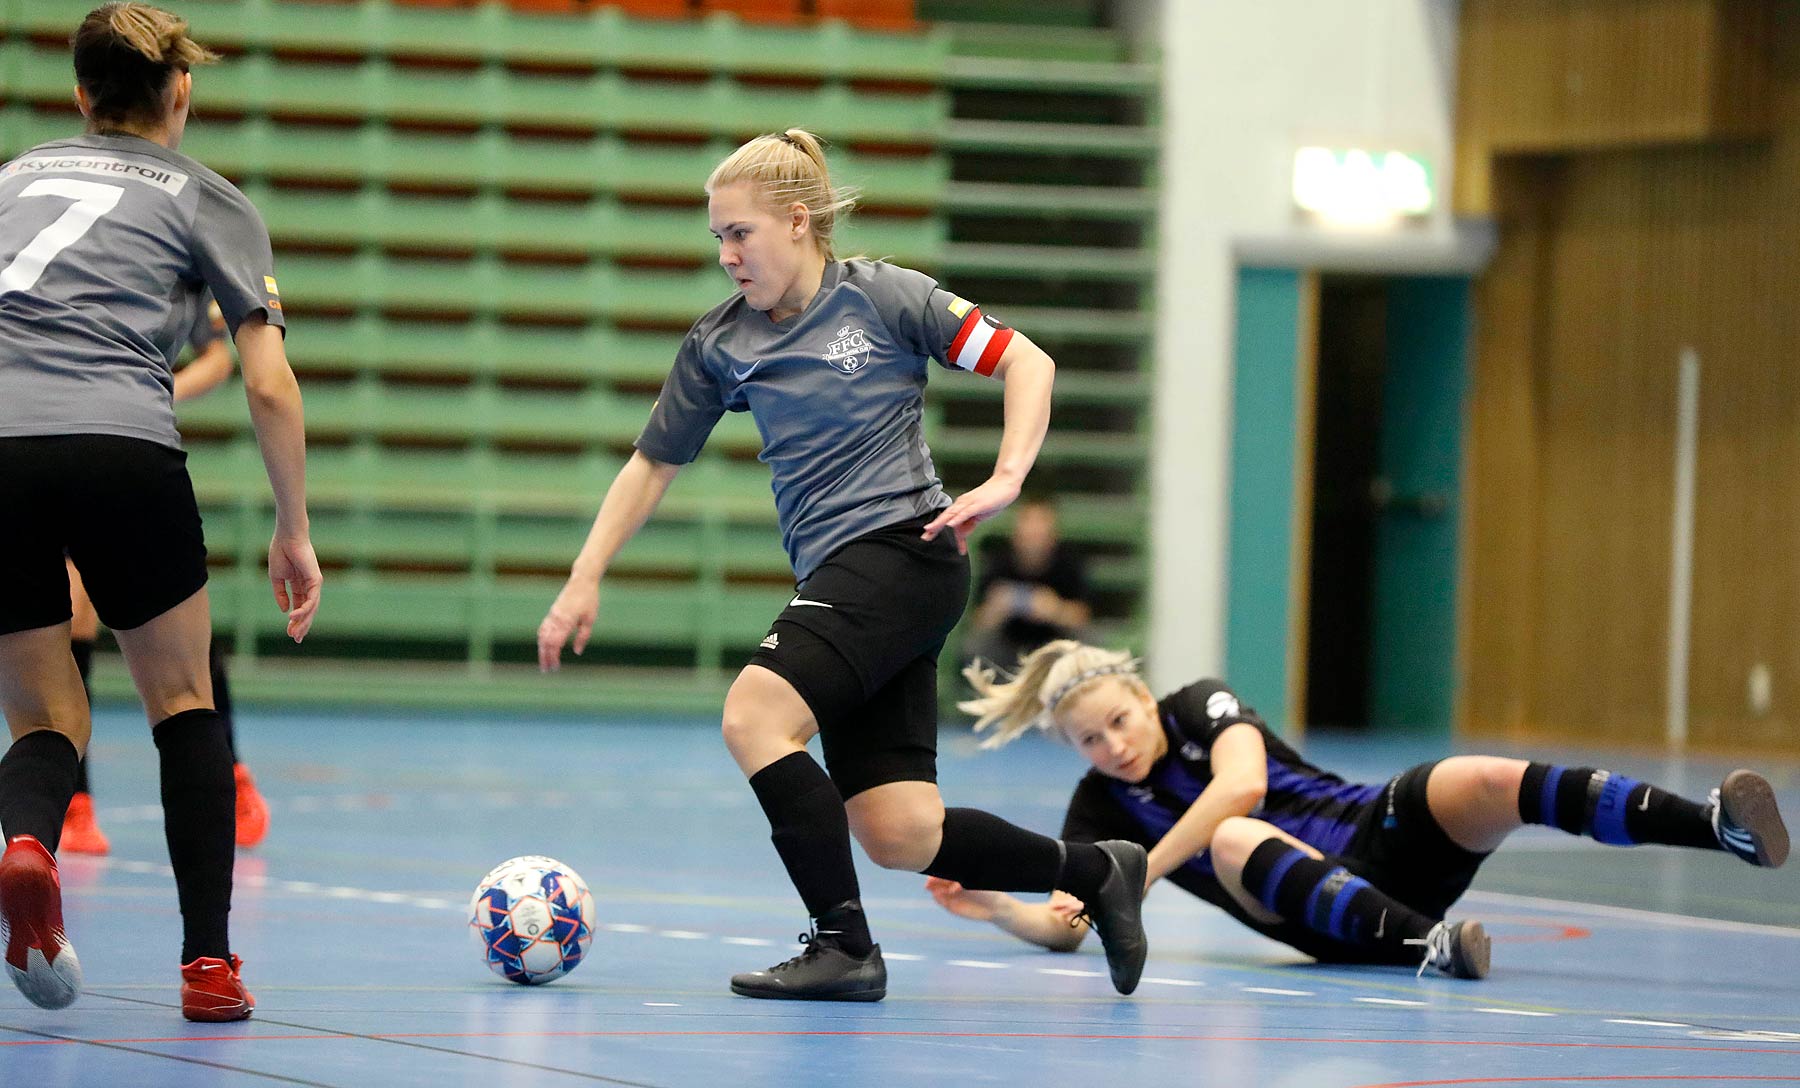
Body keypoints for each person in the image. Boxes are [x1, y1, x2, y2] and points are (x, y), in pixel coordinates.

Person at [537, 129, 1149, 1002]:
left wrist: (1007, 478)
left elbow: (1026, 360)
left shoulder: (886, 298)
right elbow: (653, 462)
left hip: (905, 553)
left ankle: (844, 945)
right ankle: (1097, 869)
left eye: (739, 233)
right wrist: (585, 574)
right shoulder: (721, 343)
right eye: (716, 237)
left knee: (754, 715)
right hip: (844, 577)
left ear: (797, 221)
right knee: (900, 831)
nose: (726, 255)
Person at [0, 3, 319, 1020]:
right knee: (185, 703)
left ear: (80, 98)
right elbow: (268, 383)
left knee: (47, 715)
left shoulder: (11, 177)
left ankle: (24, 841)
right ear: (179, 94)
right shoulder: (206, 195)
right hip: (119, 445)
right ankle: (209, 967)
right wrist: (293, 527)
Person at [928, 640, 1789, 980]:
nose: (1111, 745)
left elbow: (1244, 785)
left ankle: (1715, 824)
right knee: (1232, 842)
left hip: (1377, 830)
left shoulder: (1199, 706)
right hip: (1315, 912)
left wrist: (1137, 874)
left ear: (1144, 697)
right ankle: (1432, 947)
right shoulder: (1095, 811)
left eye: (1117, 721)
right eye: (1088, 740)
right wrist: (996, 904)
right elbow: (1075, 923)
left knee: (1475, 777)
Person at [59, 295, 271, 857]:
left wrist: (154, 395)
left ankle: (231, 771)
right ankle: (75, 804)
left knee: (178, 619)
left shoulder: (159, 256)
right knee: (71, 613)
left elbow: (218, 359)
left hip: (132, 448)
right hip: (54, 443)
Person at [963, 495, 1091, 672]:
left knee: (1088, 645)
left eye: (1040, 525)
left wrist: (1054, 609)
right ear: (1016, 531)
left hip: (1056, 643)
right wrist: (997, 609)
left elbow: (1082, 617)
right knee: (976, 648)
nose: (1034, 532)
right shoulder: (999, 561)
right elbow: (978, 620)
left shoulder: (1068, 562)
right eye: (1029, 524)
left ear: (1053, 533)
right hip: (1008, 643)